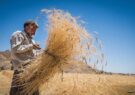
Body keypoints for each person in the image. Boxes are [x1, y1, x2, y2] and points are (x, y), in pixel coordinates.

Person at [10, 20, 41, 95]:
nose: (35, 31)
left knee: (34, 92)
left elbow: (32, 55)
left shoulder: (32, 40)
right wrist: (31, 46)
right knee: (19, 92)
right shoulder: (18, 34)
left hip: (31, 70)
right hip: (22, 71)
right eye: (33, 28)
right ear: (27, 27)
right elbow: (15, 49)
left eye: (35, 29)